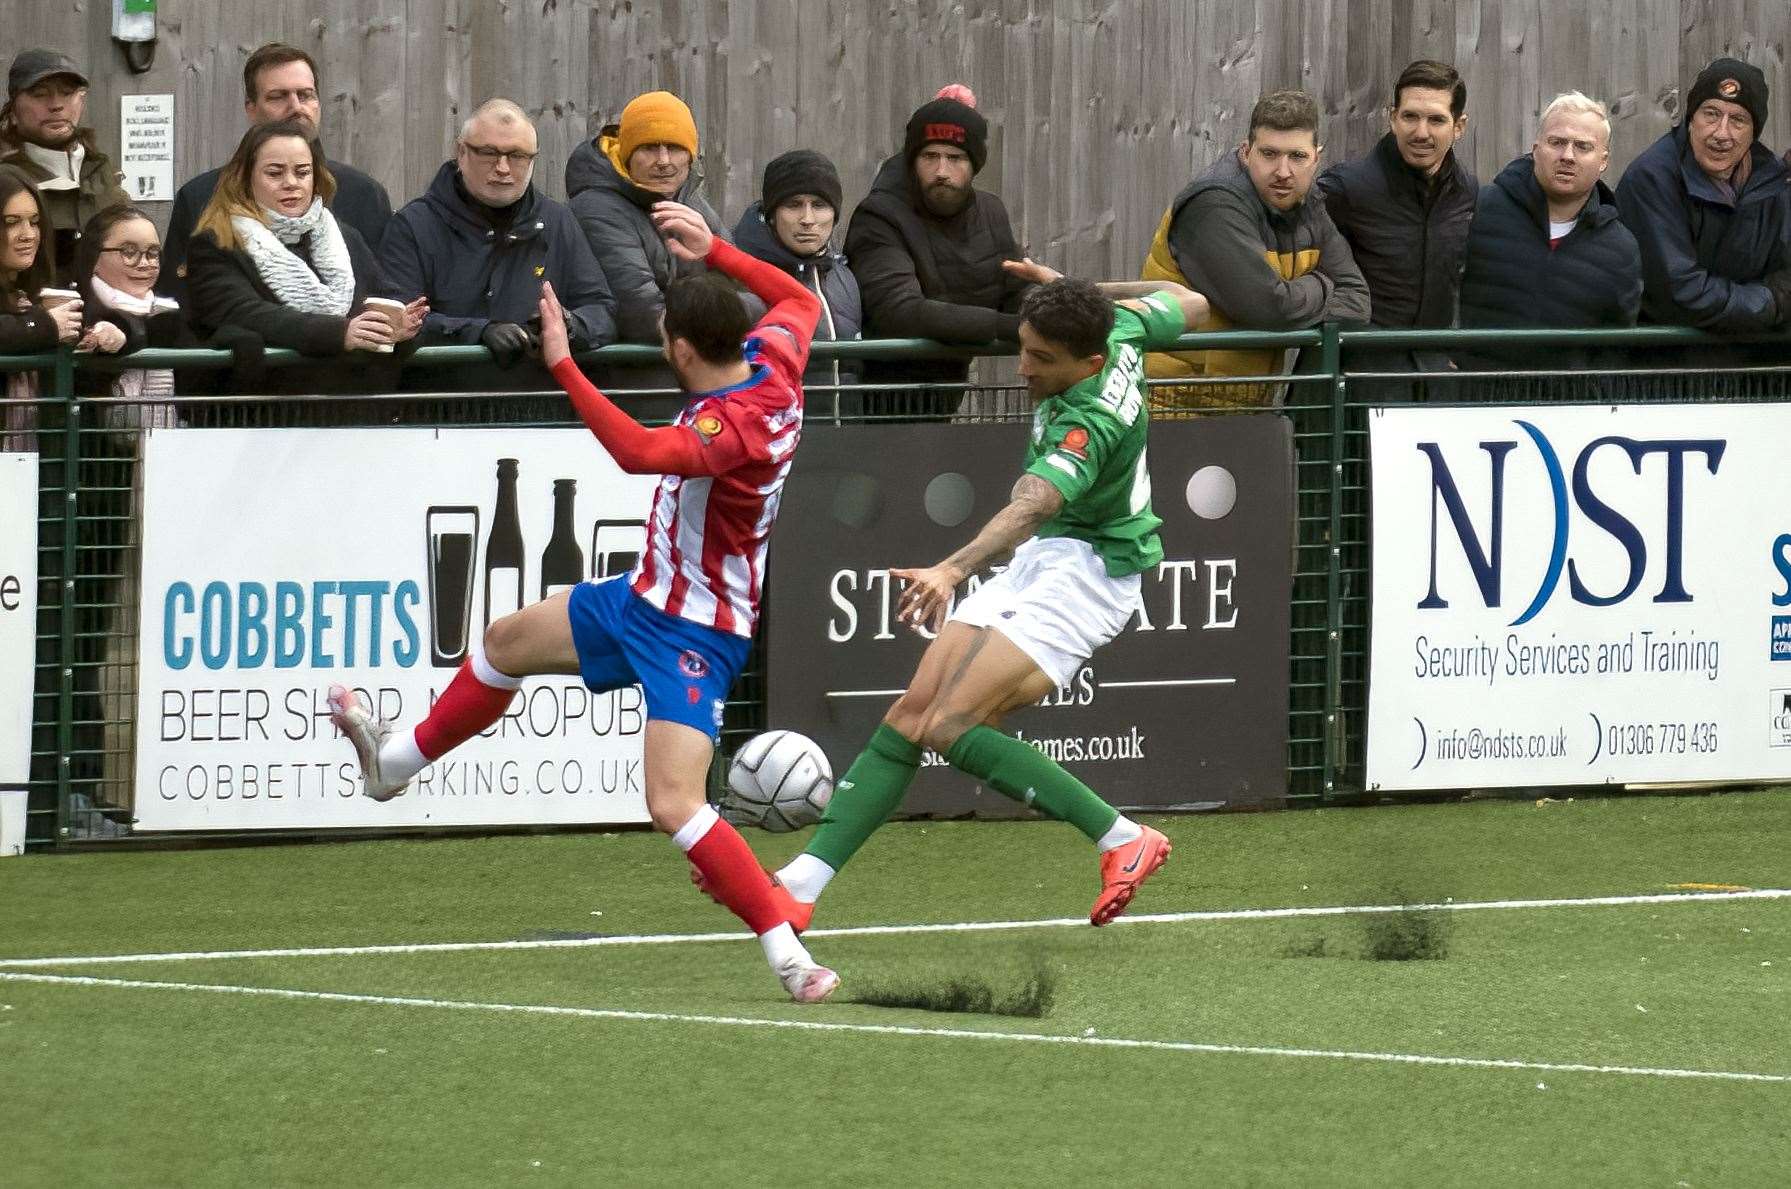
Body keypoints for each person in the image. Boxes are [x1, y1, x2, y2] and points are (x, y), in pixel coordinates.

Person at [327, 200, 840, 1004]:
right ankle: (393, 766)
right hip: (638, 596)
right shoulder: (771, 355)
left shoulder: (733, 427)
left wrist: (565, 362)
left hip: (696, 632)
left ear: (675, 345)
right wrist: (720, 252)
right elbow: (801, 303)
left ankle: (788, 955)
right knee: (503, 643)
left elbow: (639, 452)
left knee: (673, 803)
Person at [741, 267, 1209, 930]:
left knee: (952, 725)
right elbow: (1192, 303)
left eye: (1041, 358)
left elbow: (1031, 504)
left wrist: (951, 568)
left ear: (1090, 361)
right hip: (1048, 557)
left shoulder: (1091, 419)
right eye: (1023, 345)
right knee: (912, 714)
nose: (1021, 367)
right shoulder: (1121, 325)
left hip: (1092, 573)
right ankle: (802, 883)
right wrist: (1074, 291)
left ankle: (1122, 838)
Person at [1139, 89, 1370, 412]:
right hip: (1171, 403)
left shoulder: (1308, 202)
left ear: (1316, 158)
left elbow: (1358, 301)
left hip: (1243, 404)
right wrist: (1322, 285)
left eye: (1297, 157)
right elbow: (1267, 308)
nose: (1283, 171)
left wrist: (1289, 299)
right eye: (1270, 154)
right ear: (1246, 153)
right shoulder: (1216, 204)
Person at [382, 99, 615, 390]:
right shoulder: (414, 225)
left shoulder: (558, 223)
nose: (503, 168)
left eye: (517, 156)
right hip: (439, 411)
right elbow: (397, 321)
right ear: (461, 152)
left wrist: (567, 324)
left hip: (541, 410)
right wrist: (478, 333)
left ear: (533, 160)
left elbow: (602, 311)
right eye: (489, 153)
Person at [185, 121, 425, 391]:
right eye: (275, 173)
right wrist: (339, 333)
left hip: (353, 411)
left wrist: (399, 322)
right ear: (245, 178)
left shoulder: (346, 237)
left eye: (302, 172)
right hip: (268, 414)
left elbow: (384, 294)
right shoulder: (216, 242)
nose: (291, 183)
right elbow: (244, 313)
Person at [159, 44, 394, 306]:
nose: (296, 107)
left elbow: (384, 298)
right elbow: (175, 303)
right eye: (278, 97)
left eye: (305, 95)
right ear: (251, 108)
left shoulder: (363, 195)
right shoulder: (200, 197)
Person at [844, 94, 1032, 413]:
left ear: (974, 164)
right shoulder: (880, 216)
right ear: (912, 161)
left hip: (946, 392)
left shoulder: (991, 212)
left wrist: (1044, 313)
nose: (941, 170)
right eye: (929, 156)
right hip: (877, 399)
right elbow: (898, 311)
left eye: (955, 157)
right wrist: (1012, 328)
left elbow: (1014, 289)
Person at [1456, 93, 1641, 376]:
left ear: (1603, 161)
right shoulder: (1483, 208)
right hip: (1474, 399)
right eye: (1557, 142)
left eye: (1583, 147)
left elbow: (1615, 349)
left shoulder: (1620, 248)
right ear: (1535, 149)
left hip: (1566, 410)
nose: (1567, 156)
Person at [1316, 60, 1476, 386]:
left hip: (1434, 384)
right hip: (1357, 381)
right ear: (1392, 118)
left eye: (1436, 120)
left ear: (1459, 126)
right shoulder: (1346, 188)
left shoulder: (1467, 193)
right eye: (1410, 117)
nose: (1421, 132)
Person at [1614, 57, 1791, 333]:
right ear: (1691, 119)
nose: (1722, 133)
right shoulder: (1651, 178)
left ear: (1753, 133)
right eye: (1710, 113)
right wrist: (1769, 303)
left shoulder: (1774, 181)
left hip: (1756, 362)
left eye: (1738, 120)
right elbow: (1680, 293)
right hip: (1669, 364)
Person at [566, 91, 726, 345]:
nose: (663, 161)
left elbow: (750, 294)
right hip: (632, 377)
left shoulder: (693, 204)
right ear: (628, 155)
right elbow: (642, 317)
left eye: (674, 148)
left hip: (696, 363)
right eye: (649, 148)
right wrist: (720, 317)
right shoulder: (596, 208)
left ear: (691, 156)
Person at [732, 149, 863, 418]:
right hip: (771, 443)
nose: (807, 219)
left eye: (819, 205)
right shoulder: (740, 276)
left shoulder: (844, 276)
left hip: (846, 442)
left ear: (835, 214)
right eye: (793, 205)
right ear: (771, 214)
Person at [0, 49, 128, 284]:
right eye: (40, 95)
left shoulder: (103, 171)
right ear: (13, 111)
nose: (56, 105)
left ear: (82, 100)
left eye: (67, 93)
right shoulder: (6, 182)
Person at [0, 172, 83, 449]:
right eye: (11, 223)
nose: (28, 235)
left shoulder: (37, 291)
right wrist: (46, 326)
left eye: (35, 222)